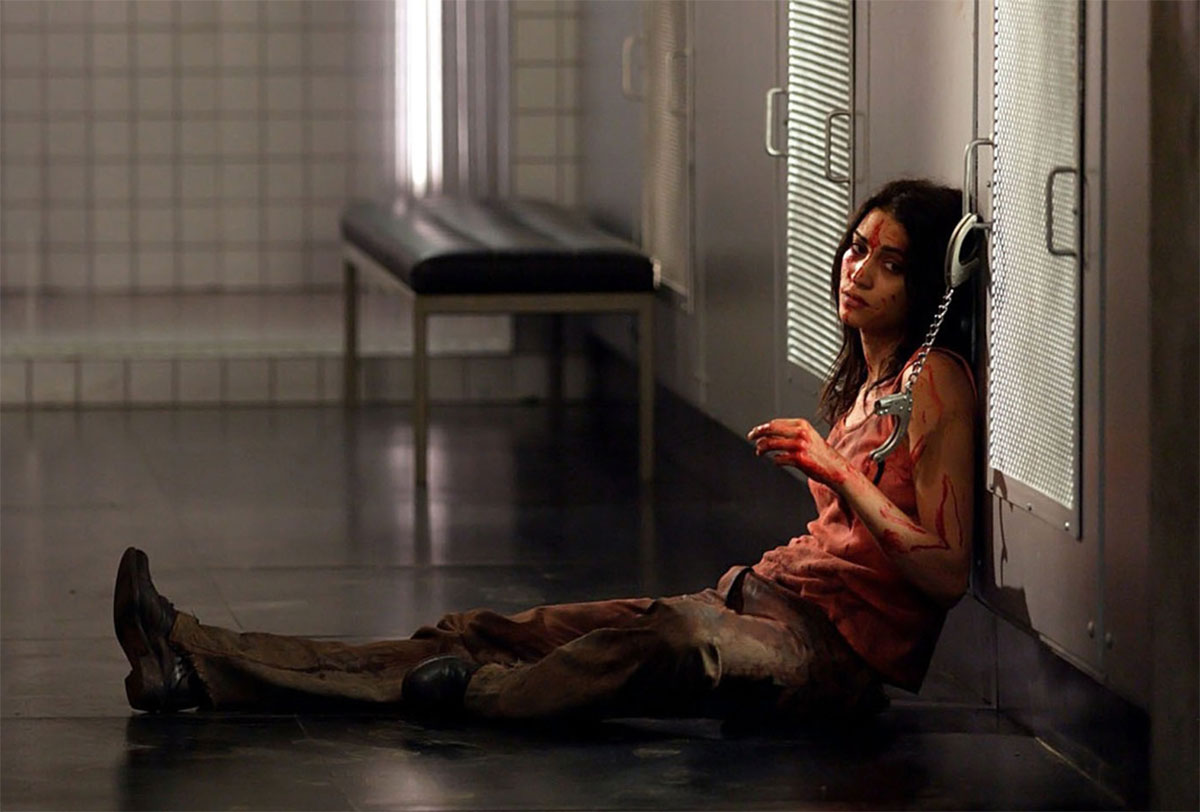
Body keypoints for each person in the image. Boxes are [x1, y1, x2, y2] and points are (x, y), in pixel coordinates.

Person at [114, 179, 976, 725]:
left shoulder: (934, 381)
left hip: (827, 658)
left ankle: (481, 694)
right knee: (481, 632)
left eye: (890, 263)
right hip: (756, 598)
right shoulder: (867, 383)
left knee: (676, 640)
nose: (859, 270)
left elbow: (945, 572)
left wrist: (835, 470)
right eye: (857, 248)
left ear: (927, 286)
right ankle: (196, 660)